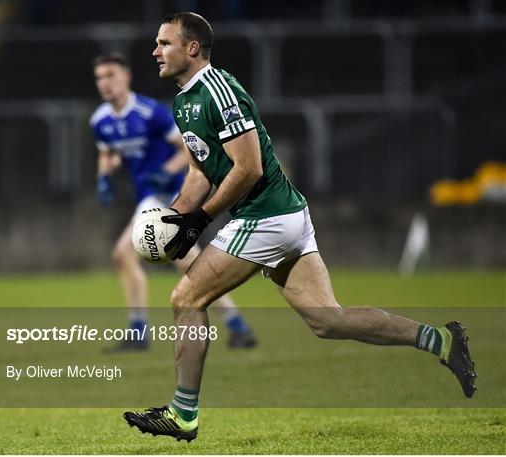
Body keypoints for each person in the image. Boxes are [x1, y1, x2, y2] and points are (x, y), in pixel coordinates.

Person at [123, 13, 477, 442]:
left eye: (164, 43)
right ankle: (441, 341)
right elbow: (200, 170)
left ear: (192, 48)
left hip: (266, 216)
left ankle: (183, 414)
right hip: (282, 216)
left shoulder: (219, 91)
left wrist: (201, 220)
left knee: (185, 297)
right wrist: (176, 218)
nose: (155, 51)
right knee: (328, 320)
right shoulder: (183, 101)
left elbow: (248, 167)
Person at [90, 52, 257, 350]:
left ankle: (141, 333)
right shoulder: (100, 120)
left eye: (111, 75)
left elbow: (186, 148)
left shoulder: (150, 112)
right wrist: (104, 176)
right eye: (100, 77)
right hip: (148, 195)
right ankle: (236, 325)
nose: (105, 83)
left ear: (126, 77)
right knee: (181, 260)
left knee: (137, 254)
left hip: (174, 192)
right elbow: (108, 151)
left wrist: (166, 173)